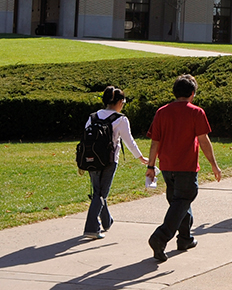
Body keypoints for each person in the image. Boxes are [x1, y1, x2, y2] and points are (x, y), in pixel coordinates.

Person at [146, 74, 222, 263]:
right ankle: (160, 237)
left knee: (178, 203)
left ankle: (185, 239)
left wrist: (151, 165)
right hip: (186, 167)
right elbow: (204, 141)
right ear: (192, 93)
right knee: (183, 199)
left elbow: (155, 142)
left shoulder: (161, 112)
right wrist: (214, 165)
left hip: (167, 166)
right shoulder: (196, 112)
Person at [83, 86, 148, 239]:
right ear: (119, 102)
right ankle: (92, 228)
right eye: (123, 102)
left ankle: (106, 222)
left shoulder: (92, 116)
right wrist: (140, 157)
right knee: (101, 194)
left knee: (97, 190)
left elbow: (85, 137)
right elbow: (129, 141)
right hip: (109, 160)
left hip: (91, 159)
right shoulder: (120, 119)